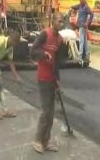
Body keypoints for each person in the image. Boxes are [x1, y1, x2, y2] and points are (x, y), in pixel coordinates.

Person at [31, 12, 65, 154]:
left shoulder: (60, 40)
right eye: (58, 21)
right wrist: (44, 54)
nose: (61, 24)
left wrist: (58, 81)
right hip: (43, 78)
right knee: (45, 111)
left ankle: (46, 140)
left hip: (52, 79)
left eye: (62, 21)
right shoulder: (45, 34)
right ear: (52, 21)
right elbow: (33, 51)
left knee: (51, 113)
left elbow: (57, 63)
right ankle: (37, 140)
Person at [70, 0, 94, 65]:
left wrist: (88, 22)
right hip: (81, 25)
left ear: (84, 1)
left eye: (82, 1)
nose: (81, 2)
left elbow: (91, 14)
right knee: (85, 42)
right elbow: (75, 6)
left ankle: (80, 57)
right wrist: (71, 7)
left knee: (81, 41)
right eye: (80, 1)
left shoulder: (86, 7)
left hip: (83, 25)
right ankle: (87, 55)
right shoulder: (80, 5)